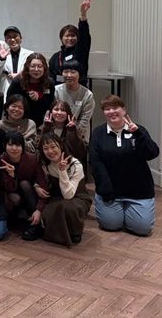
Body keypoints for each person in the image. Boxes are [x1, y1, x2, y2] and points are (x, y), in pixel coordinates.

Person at [89, 95, 159, 236]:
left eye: (115, 107)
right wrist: (106, 189)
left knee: (142, 229)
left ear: (124, 110)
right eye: (107, 109)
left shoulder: (138, 130)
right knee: (111, 225)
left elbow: (152, 153)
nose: (111, 111)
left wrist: (138, 134)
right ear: (103, 112)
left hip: (138, 190)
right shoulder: (98, 133)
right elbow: (96, 163)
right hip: (111, 192)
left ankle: (130, 213)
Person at [31, 133, 92, 246]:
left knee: (66, 207)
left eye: (53, 147)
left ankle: (75, 232)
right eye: (46, 148)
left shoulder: (75, 165)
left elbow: (68, 195)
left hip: (77, 197)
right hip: (56, 196)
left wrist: (62, 171)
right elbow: (38, 179)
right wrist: (36, 186)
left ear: (61, 146)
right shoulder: (45, 164)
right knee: (48, 211)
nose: (50, 151)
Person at [0, 131, 48, 240]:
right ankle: (16, 220)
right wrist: (11, 176)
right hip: (11, 196)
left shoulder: (32, 159)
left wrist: (39, 209)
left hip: (31, 195)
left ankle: (35, 223)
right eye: (10, 144)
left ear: (23, 147)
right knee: (13, 197)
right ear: (4, 146)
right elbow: (7, 188)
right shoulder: (1, 160)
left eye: (18, 145)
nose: (14, 148)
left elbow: (42, 183)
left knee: (24, 184)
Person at [49, 0, 93, 85]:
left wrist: (83, 15)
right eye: (67, 36)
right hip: (59, 90)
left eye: (73, 36)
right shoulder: (55, 57)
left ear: (77, 38)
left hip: (78, 88)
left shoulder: (80, 51)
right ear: (61, 38)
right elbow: (50, 77)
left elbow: (84, 36)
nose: (70, 38)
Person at [6, 53, 54, 126]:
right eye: (33, 66)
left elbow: (49, 105)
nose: (36, 69)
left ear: (44, 68)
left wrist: (40, 97)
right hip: (19, 119)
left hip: (41, 120)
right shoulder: (18, 82)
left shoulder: (49, 82)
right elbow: (10, 101)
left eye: (40, 66)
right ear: (27, 67)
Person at [53, 61, 95, 142]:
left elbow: (84, 120)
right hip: (57, 134)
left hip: (79, 136)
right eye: (65, 72)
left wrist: (73, 132)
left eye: (73, 72)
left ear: (80, 74)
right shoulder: (56, 90)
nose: (69, 75)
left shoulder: (87, 94)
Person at [40, 100, 87, 167]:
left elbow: (80, 152)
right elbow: (40, 149)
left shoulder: (74, 129)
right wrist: (47, 128)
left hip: (70, 165)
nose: (59, 113)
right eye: (56, 109)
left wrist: (72, 131)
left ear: (68, 113)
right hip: (50, 166)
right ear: (51, 112)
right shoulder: (44, 128)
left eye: (63, 110)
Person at [0, 26, 32, 95]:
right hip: (6, 88)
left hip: (24, 88)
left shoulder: (30, 54)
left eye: (15, 36)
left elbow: (34, 73)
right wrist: (2, 59)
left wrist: (19, 75)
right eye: (9, 37)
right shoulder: (0, 54)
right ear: (5, 40)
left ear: (21, 38)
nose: (12, 39)